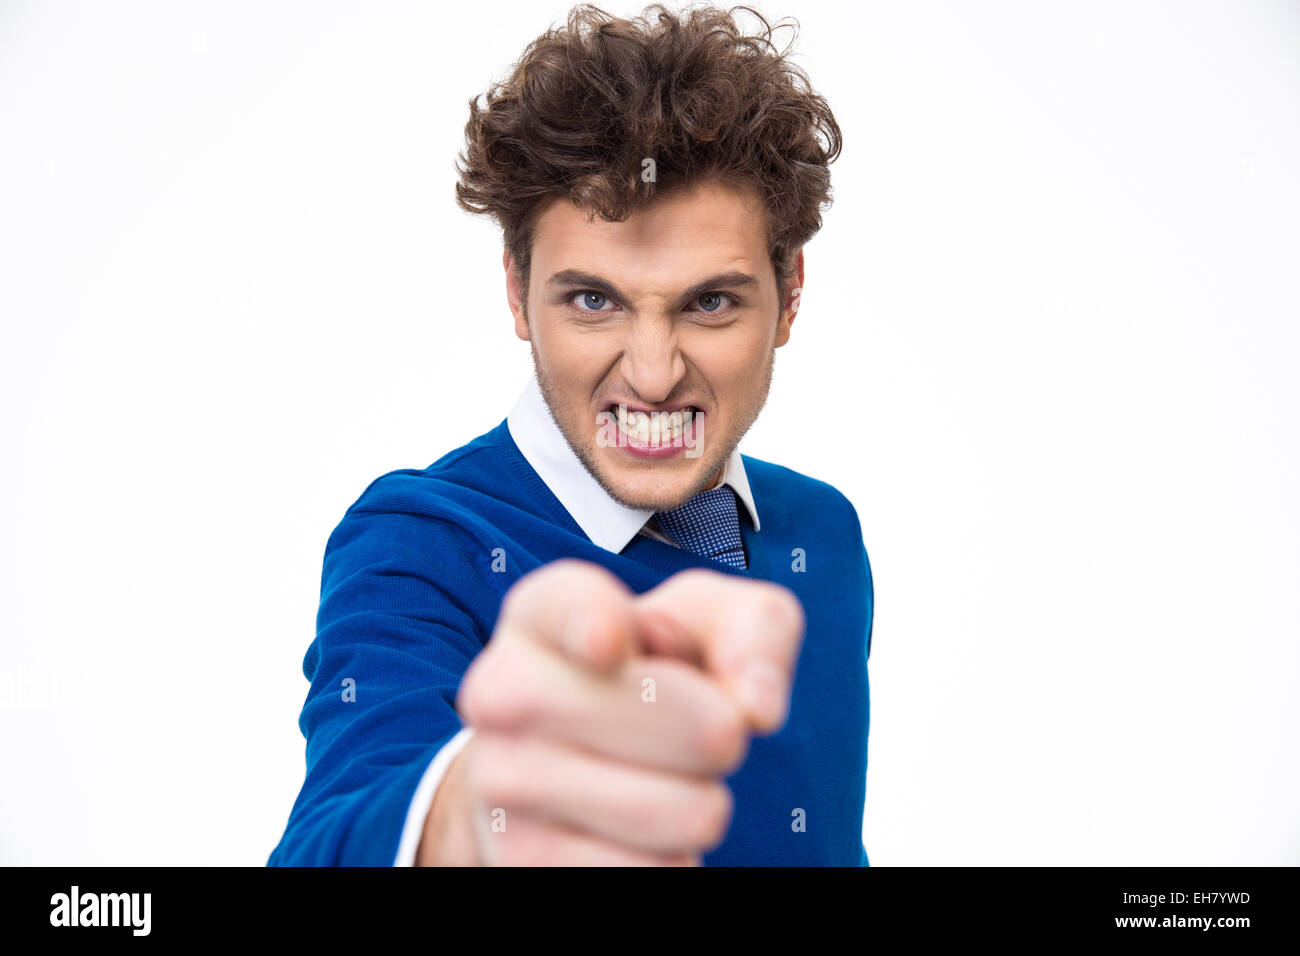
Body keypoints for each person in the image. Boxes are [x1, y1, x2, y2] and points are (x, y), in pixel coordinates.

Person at [268, 2, 873, 867]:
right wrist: (470, 814)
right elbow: (335, 830)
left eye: (711, 301)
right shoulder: (417, 542)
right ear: (517, 293)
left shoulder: (824, 533)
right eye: (593, 300)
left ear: (791, 295)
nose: (654, 371)